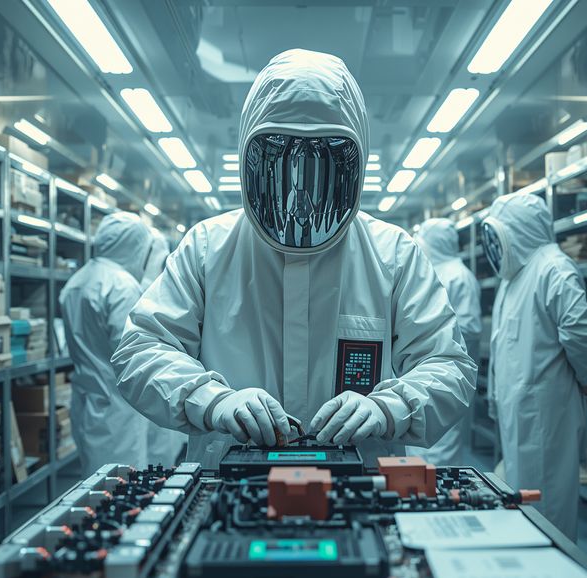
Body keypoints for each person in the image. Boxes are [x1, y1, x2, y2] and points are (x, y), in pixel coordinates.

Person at [112, 48, 476, 468]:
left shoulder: (392, 253)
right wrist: (214, 401)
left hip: (359, 487)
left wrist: (388, 408)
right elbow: (139, 349)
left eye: (322, 165)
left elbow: (449, 365)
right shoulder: (208, 247)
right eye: (280, 163)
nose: (300, 198)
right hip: (230, 483)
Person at [481, 192, 587, 540]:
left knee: (548, 500)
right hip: (520, 409)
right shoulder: (515, 275)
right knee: (524, 495)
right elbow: (502, 343)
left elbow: (580, 331)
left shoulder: (554, 267)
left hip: (547, 411)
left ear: (519, 229)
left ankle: (555, 575)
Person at [59, 211, 156, 476]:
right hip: (117, 408)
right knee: (122, 486)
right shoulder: (122, 286)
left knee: (94, 481)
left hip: (87, 400)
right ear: (134, 246)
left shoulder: (76, 281)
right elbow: (131, 351)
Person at [406, 218, 482, 466]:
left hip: (448, 373)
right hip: (421, 367)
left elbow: (470, 328)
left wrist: (437, 333)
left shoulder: (460, 276)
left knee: (442, 447)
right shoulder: (431, 269)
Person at [140, 227, 188, 465]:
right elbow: (143, 347)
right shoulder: (127, 289)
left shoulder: (78, 283)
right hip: (135, 396)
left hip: (98, 396)